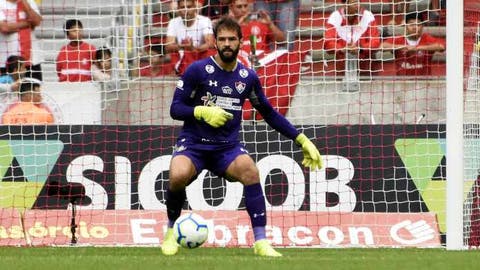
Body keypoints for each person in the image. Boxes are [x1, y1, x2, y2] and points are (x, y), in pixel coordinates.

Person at [160, 16, 323, 257]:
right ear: (215, 42)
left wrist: (301, 139)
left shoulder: (247, 78)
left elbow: (268, 113)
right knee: (177, 175)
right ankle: (171, 232)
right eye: (222, 39)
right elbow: (176, 109)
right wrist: (200, 111)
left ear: (240, 42)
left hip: (227, 148)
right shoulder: (197, 70)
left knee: (250, 171)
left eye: (232, 39)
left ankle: (261, 241)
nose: (227, 44)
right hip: (194, 144)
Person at [323, 0, 381, 75]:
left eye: (358, 2)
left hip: (366, 68)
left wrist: (361, 49)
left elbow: (375, 42)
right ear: (345, 4)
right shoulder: (335, 17)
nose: (357, 5)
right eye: (354, 2)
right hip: (342, 67)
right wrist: (341, 49)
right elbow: (328, 43)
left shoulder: (368, 16)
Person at [381, 12, 445, 76]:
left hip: (424, 82)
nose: (415, 27)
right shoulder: (399, 39)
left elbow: (441, 47)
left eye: (418, 25)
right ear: (406, 26)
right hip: (402, 82)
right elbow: (382, 46)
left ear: (422, 26)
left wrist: (417, 48)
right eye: (411, 24)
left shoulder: (427, 38)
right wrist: (402, 47)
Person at [165, 0, 215, 75]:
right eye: (182, 7)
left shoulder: (204, 20)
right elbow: (168, 46)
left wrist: (193, 48)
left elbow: (210, 44)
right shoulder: (173, 22)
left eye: (189, 7)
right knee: (178, 52)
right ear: (178, 9)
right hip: (184, 55)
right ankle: (181, 72)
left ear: (195, 7)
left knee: (210, 51)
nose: (186, 10)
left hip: (200, 55)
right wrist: (182, 46)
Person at [0, 0, 43, 81]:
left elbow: (37, 21)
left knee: (33, 90)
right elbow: (4, 28)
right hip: (6, 61)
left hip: (31, 60)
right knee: (7, 91)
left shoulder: (29, 2)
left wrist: (25, 3)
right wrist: (27, 24)